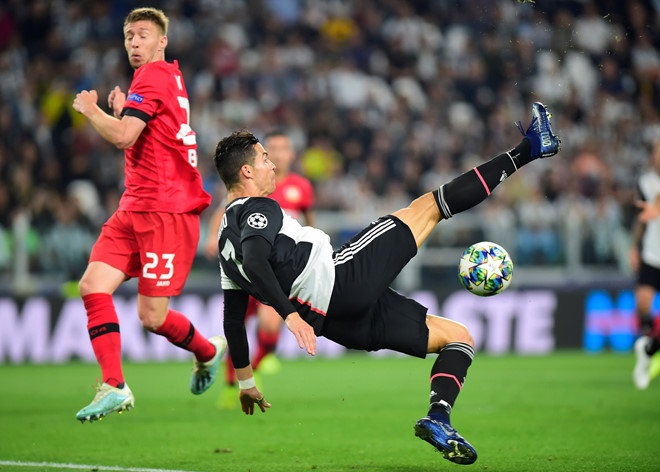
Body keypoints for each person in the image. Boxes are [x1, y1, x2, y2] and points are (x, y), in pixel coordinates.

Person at [212, 102, 561, 465]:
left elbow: (234, 320)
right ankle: (531, 149)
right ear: (247, 171)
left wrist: (246, 382)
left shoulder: (224, 243)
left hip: (336, 323)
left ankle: (438, 418)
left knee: (459, 338)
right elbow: (255, 259)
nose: (273, 165)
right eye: (265, 158)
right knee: (429, 207)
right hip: (342, 279)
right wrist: (289, 316)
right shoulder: (256, 208)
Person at [71, 7, 225, 423]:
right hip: (134, 205)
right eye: (128, 36)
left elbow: (124, 137)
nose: (134, 43)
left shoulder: (153, 76)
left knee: (151, 318)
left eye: (142, 35)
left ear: (162, 41)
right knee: (92, 285)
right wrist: (124, 110)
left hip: (165, 211)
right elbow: (146, 132)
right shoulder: (167, 78)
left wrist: (91, 110)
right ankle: (114, 385)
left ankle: (209, 352)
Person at [204, 130, 315, 404]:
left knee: (266, 324)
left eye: (280, 148)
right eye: (269, 151)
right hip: (249, 266)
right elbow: (224, 212)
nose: (275, 156)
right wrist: (212, 236)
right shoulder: (250, 196)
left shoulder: (300, 187)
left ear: (291, 154)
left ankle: (256, 363)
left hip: (274, 271)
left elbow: (309, 221)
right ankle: (234, 381)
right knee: (238, 322)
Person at [632, 140, 660, 390]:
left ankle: (649, 347)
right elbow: (640, 219)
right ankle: (649, 341)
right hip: (652, 254)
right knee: (643, 304)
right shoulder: (646, 182)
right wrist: (634, 247)